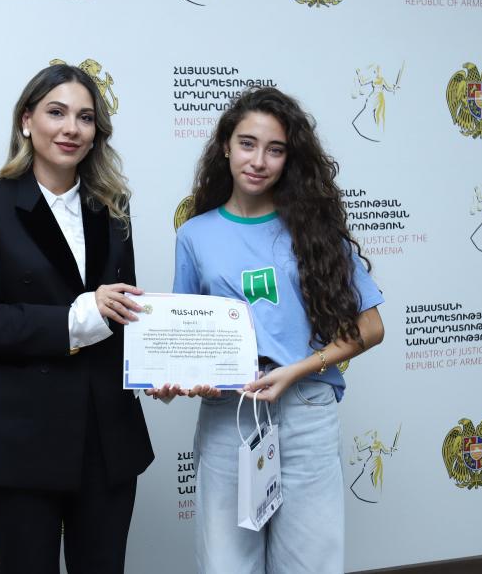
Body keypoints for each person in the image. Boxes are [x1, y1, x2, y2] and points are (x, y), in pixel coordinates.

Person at [164, 86, 385, 573]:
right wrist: (175, 381)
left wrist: (297, 370)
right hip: (230, 414)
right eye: (247, 144)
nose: (259, 160)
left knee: (311, 565)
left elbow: (370, 327)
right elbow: (185, 340)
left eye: (275, 149)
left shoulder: (314, 229)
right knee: (226, 565)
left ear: (289, 158)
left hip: (306, 409)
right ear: (225, 146)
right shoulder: (194, 235)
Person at [0, 64, 153, 573]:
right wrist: (78, 317)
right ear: (26, 120)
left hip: (107, 439)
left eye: (85, 117)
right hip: (21, 439)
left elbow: (125, 310)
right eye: (56, 112)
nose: (71, 128)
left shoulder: (113, 206)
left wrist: (161, 369)